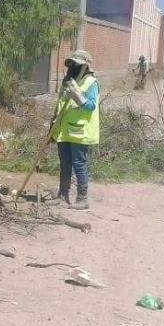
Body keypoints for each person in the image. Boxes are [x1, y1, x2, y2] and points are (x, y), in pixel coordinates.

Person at [53, 49, 101, 210]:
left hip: (80, 132)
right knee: (64, 163)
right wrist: (53, 124)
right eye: (71, 64)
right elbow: (59, 104)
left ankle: (82, 198)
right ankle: (63, 194)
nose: (73, 67)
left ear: (85, 66)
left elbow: (91, 106)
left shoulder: (90, 83)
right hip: (64, 130)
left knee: (78, 164)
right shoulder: (68, 81)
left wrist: (77, 95)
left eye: (76, 64)